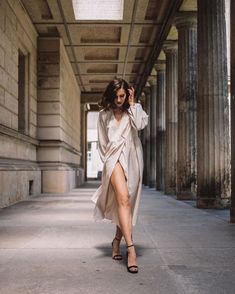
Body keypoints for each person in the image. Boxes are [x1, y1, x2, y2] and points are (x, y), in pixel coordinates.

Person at [91, 78, 148, 274]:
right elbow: (102, 142)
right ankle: (130, 250)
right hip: (113, 158)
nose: (118, 99)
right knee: (123, 199)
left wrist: (133, 104)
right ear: (110, 95)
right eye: (115, 96)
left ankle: (116, 240)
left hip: (132, 158)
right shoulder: (103, 115)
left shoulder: (133, 109)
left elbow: (140, 125)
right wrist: (108, 163)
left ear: (128, 95)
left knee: (126, 203)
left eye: (122, 96)